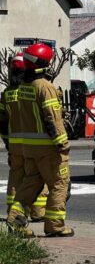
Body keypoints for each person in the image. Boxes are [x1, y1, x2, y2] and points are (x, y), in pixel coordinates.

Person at [6, 43, 73, 237]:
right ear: (44, 63)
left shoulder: (24, 88)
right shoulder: (45, 87)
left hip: (29, 150)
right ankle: (55, 226)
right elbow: (53, 119)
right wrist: (63, 144)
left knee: (30, 186)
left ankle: (14, 222)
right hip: (49, 150)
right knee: (59, 184)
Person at [0, 53, 48, 221]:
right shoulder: (29, 90)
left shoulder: (6, 93)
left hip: (14, 144)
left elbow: (2, 121)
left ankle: (12, 212)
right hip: (34, 143)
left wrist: (6, 141)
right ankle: (38, 211)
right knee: (35, 178)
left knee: (15, 178)